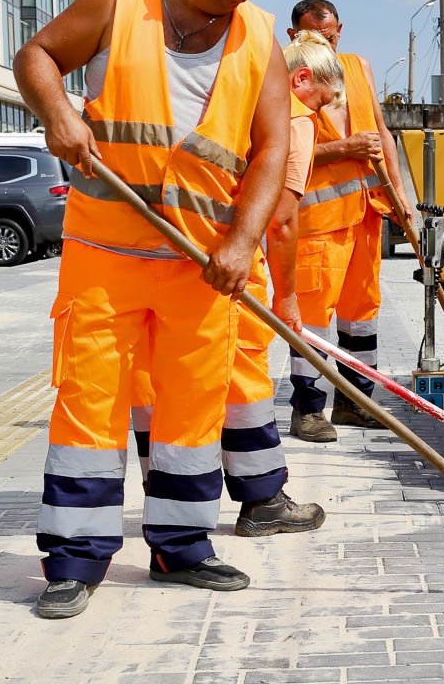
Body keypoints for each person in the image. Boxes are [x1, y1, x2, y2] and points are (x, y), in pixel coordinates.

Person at [14, 0, 291, 619]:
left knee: (192, 409)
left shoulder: (261, 37)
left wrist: (241, 242)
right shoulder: (120, 0)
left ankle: (182, 548)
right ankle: (74, 560)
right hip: (105, 255)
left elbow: (271, 150)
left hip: (201, 265)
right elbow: (36, 55)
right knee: (90, 403)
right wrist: (59, 112)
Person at [126, 32, 346, 538]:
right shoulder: (291, 119)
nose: (319, 113)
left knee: (160, 382)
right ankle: (263, 500)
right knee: (244, 384)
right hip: (234, 267)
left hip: (171, 260)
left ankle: (165, 496)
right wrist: (287, 297)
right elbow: (283, 219)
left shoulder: (225, 100)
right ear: (301, 79)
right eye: (321, 100)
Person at [284, 0, 412, 442]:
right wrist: (344, 149)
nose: (326, 44)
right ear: (294, 37)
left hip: (367, 214)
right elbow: (281, 149)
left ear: (341, 29)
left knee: (362, 314)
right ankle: (307, 410)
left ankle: (357, 402)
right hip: (319, 221)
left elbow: (381, 133)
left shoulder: (358, 68)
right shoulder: (289, 77)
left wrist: (401, 198)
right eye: (315, 37)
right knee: (314, 317)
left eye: (331, 36)